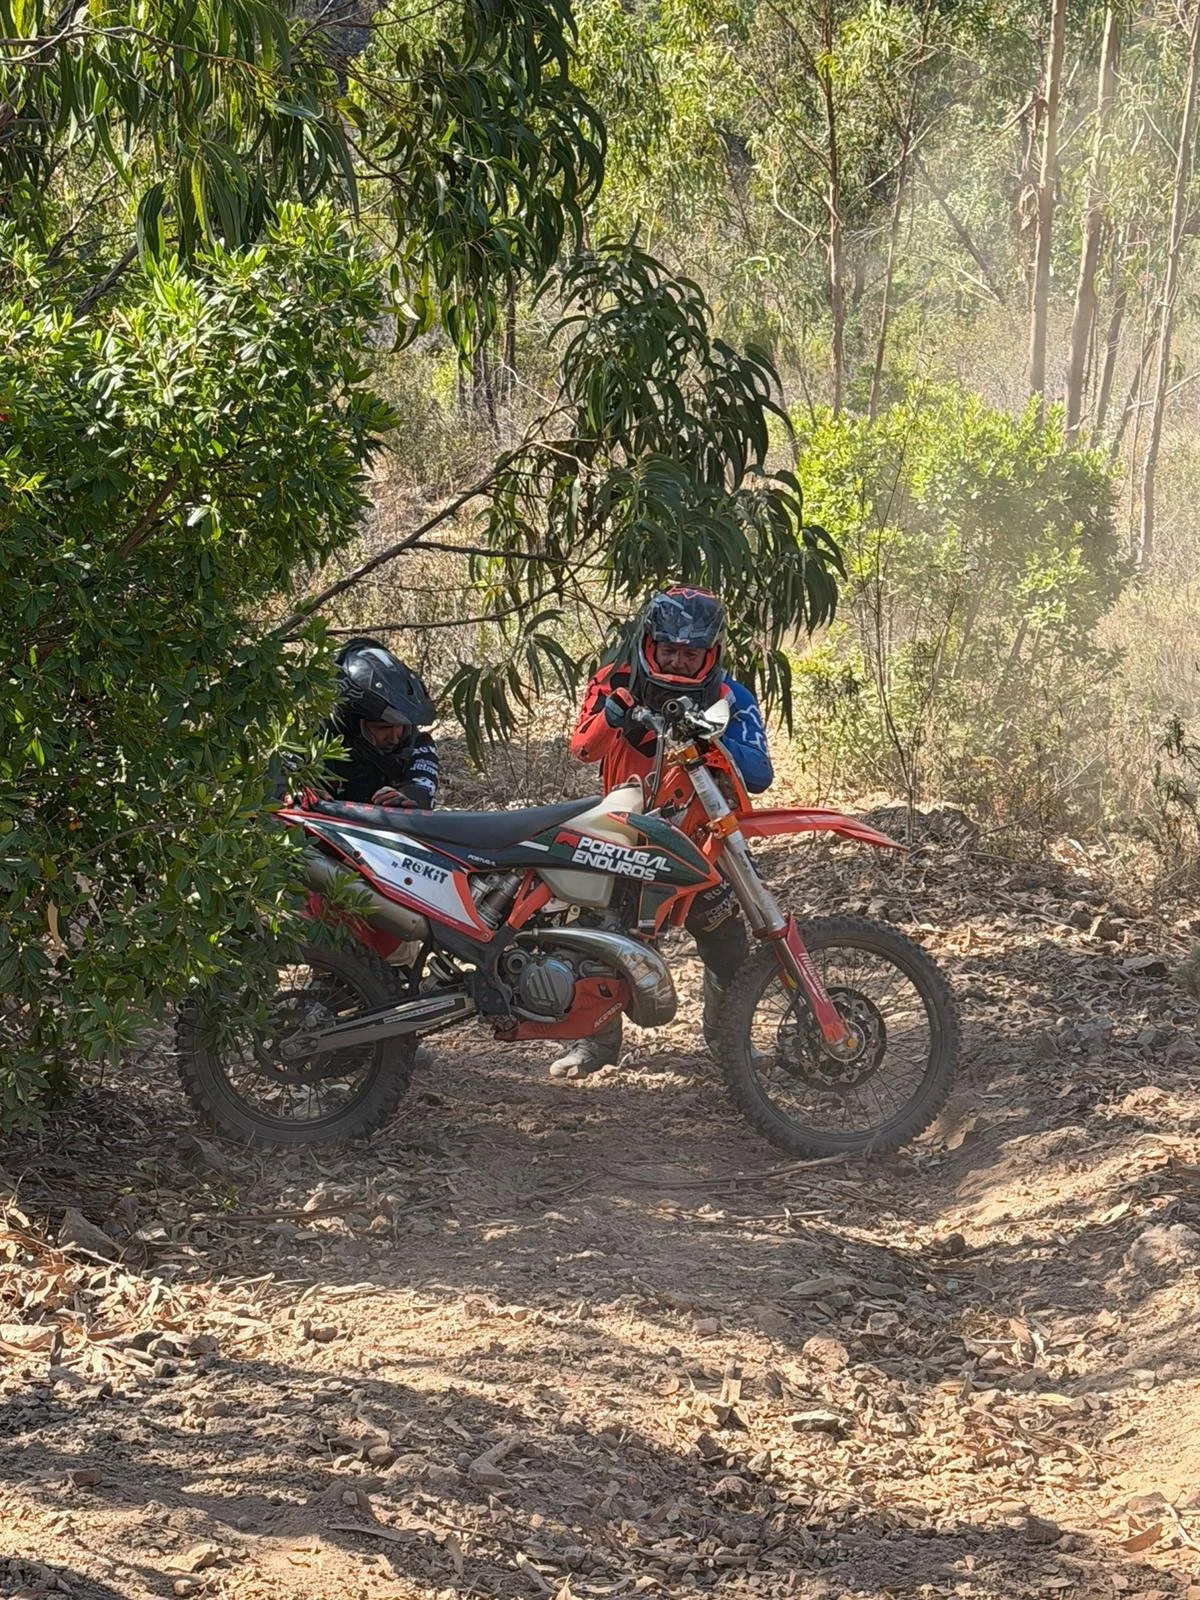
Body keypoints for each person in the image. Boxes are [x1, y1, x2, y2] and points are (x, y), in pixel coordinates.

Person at [551, 586, 774, 1078]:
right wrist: (614, 715)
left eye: (690, 653)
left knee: (728, 942)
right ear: (649, 642)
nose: (677, 661)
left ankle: (729, 1041)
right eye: (668, 648)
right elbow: (583, 749)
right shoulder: (615, 680)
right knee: (598, 940)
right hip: (621, 834)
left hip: (698, 841)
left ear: (710, 654)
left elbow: (759, 774)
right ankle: (595, 1046)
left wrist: (712, 736)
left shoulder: (729, 696)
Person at [325, 637, 440, 810]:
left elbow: (422, 788)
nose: (395, 737)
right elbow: (279, 781)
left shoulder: (418, 745)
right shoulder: (319, 741)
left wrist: (408, 797)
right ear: (353, 722)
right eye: (383, 727)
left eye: (402, 725)